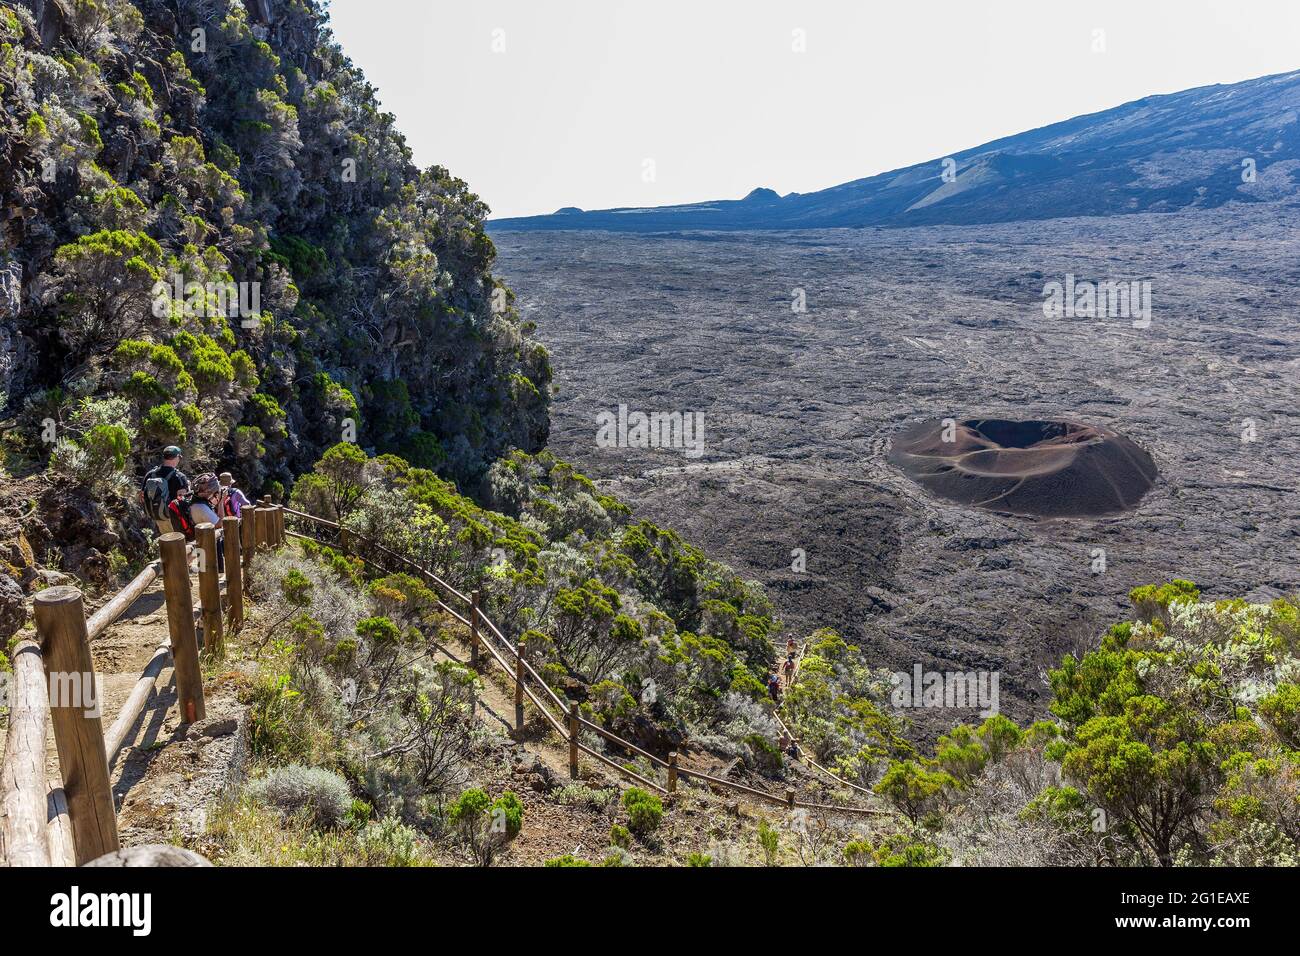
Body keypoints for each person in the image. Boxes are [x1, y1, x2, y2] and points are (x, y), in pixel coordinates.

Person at [140, 446, 190, 537]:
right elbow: (184, 500)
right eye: (180, 457)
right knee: (181, 545)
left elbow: (142, 496)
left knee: (167, 544)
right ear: (176, 457)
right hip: (175, 518)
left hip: (158, 517)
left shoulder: (150, 474)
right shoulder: (179, 476)